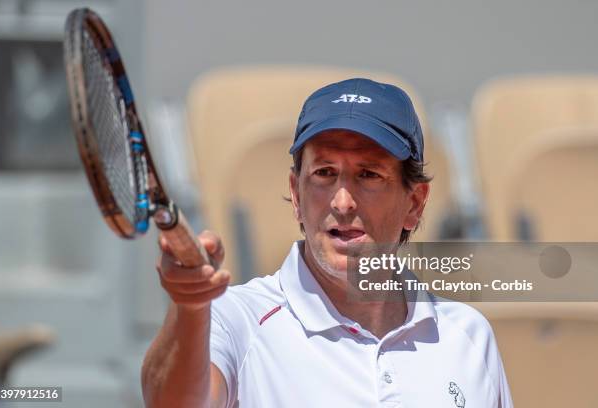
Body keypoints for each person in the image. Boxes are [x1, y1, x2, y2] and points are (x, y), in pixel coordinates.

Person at [141, 78, 513, 407]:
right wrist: (188, 307)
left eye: (368, 174)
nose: (342, 201)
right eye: (324, 173)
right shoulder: (233, 318)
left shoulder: (469, 335)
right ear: (296, 194)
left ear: (414, 203)